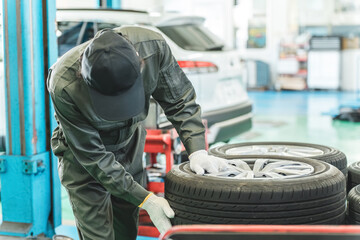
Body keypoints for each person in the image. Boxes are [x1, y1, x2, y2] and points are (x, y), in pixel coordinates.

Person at [47, 26, 228, 240]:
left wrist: (198, 150)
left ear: (140, 63)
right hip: (83, 157)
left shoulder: (154, 49)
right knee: (98, 235)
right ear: (83, 78)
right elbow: (93, 157)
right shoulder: (64, 84)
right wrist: (146, 200)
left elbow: (180, 102)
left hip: (129, 144)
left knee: (126, 231)